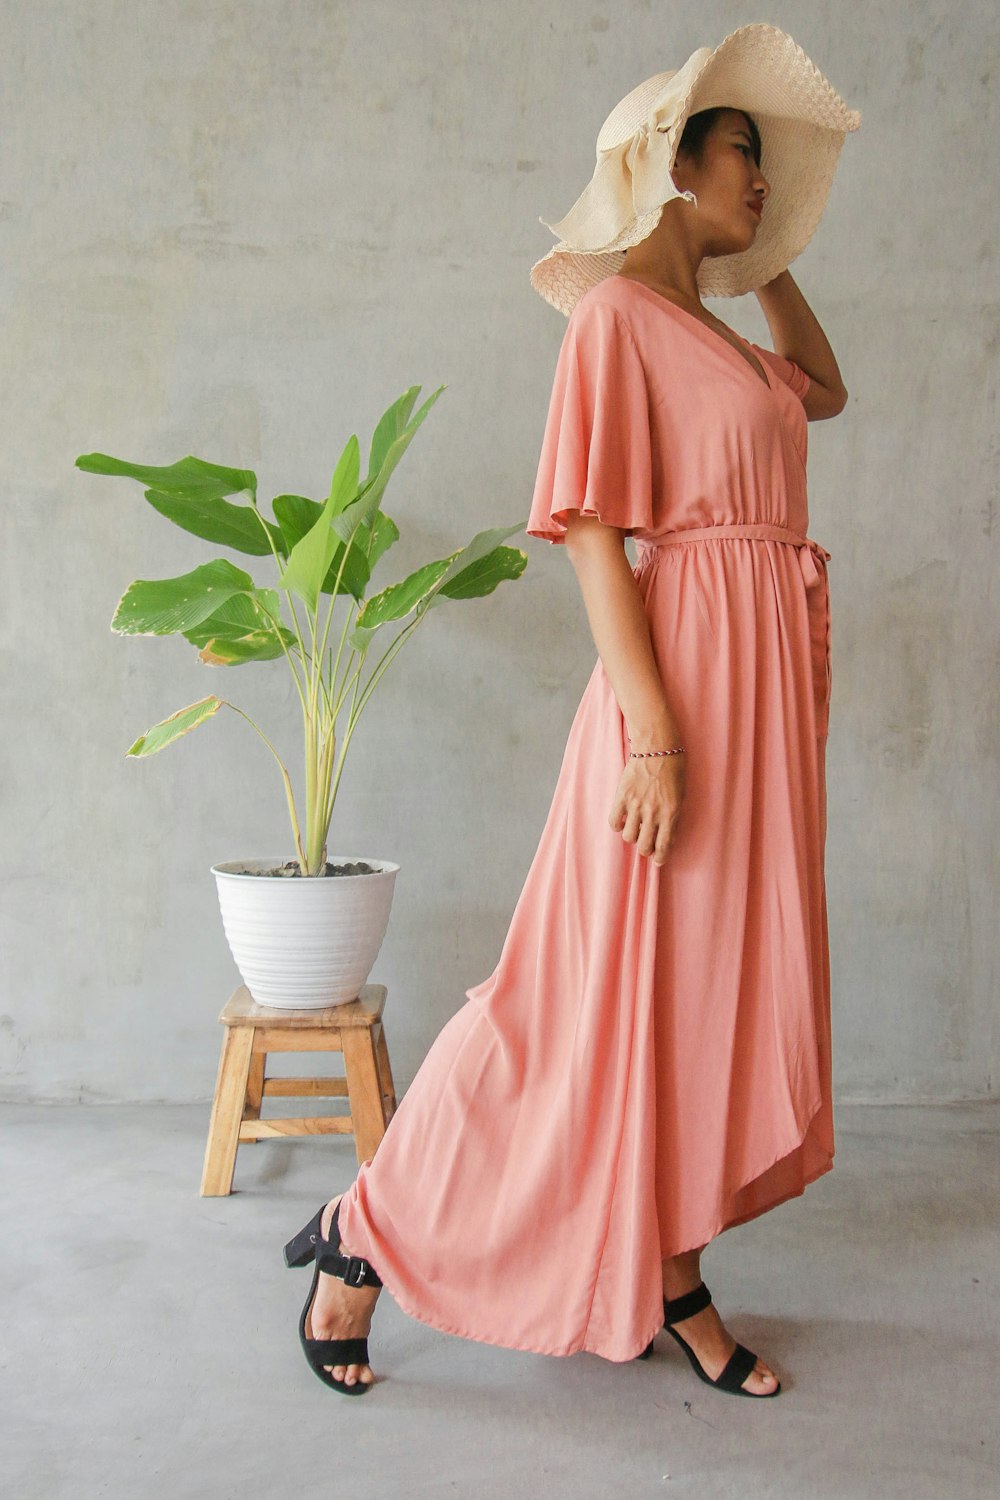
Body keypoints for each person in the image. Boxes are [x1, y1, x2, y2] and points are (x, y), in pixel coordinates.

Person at [282, 24, 861, 1401]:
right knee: (572, 1000)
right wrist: (653, 731)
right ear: (670, 163)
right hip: (680, 695)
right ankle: (361, 1239)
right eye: (744, 156)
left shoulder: (717, 331)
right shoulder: (619, 322)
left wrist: (774, 271)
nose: (761, 180)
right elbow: (596, 532)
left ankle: (672, 1269)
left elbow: (824, 395)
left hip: (761, 694)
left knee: (699, 999)